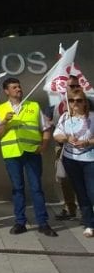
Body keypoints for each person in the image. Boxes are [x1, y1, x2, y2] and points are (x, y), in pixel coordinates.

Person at [0, 78, 57, 237]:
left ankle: (43, 223)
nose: (18, 89)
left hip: (32, 152)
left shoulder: (33, 106)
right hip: (12, 153)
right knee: (17, 189)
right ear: (6, 91)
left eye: (19, 86)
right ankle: (20, 222)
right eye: (14, 87)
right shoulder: (0, 110)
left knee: (36, 188)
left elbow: (46, 128)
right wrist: (5, 122)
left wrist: (44, 145)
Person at [53, 88, 94, 238]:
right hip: (71, 160)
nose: (75, 103)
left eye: (79, 100)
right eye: (71, 100)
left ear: (85, 102)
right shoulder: (65, 117)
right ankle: (89, 223)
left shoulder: (92, 117)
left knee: (92, 192)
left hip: (90, 160)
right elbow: (56, 135)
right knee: (81, 193)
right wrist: (66, 138)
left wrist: (88, 142)